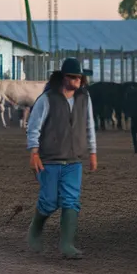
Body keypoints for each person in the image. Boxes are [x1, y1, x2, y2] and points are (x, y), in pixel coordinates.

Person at [25, 57, 97, 259]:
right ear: (63, 77)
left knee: (71, 200)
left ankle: (67, 244)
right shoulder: (47, 99)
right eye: (73, 77)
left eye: (79, 77)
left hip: (74, 160)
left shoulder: (84, 98)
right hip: (50, 159)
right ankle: (35, 228)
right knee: (49, 200)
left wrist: (92, 152)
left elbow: (89, 125)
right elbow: (34, 126)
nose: (77, 81)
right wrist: (34, 152)